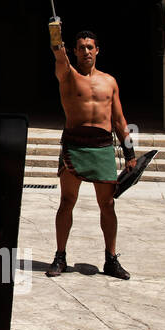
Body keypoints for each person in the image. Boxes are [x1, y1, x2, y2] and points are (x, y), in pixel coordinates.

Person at [47, 27, 138, 281]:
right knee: (67, 202)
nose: (86, 51)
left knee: (107, 204)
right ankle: (60, 256)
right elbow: (58, 56)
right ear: (74, 51)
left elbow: (119, 120)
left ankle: (111, 259)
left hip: (102, 147)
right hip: (74, 145)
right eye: (81, 47)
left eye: (90, 47)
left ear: (97, 50)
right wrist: (56, 35)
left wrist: (130, 153)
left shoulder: (109, 81)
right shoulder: (67, 75)